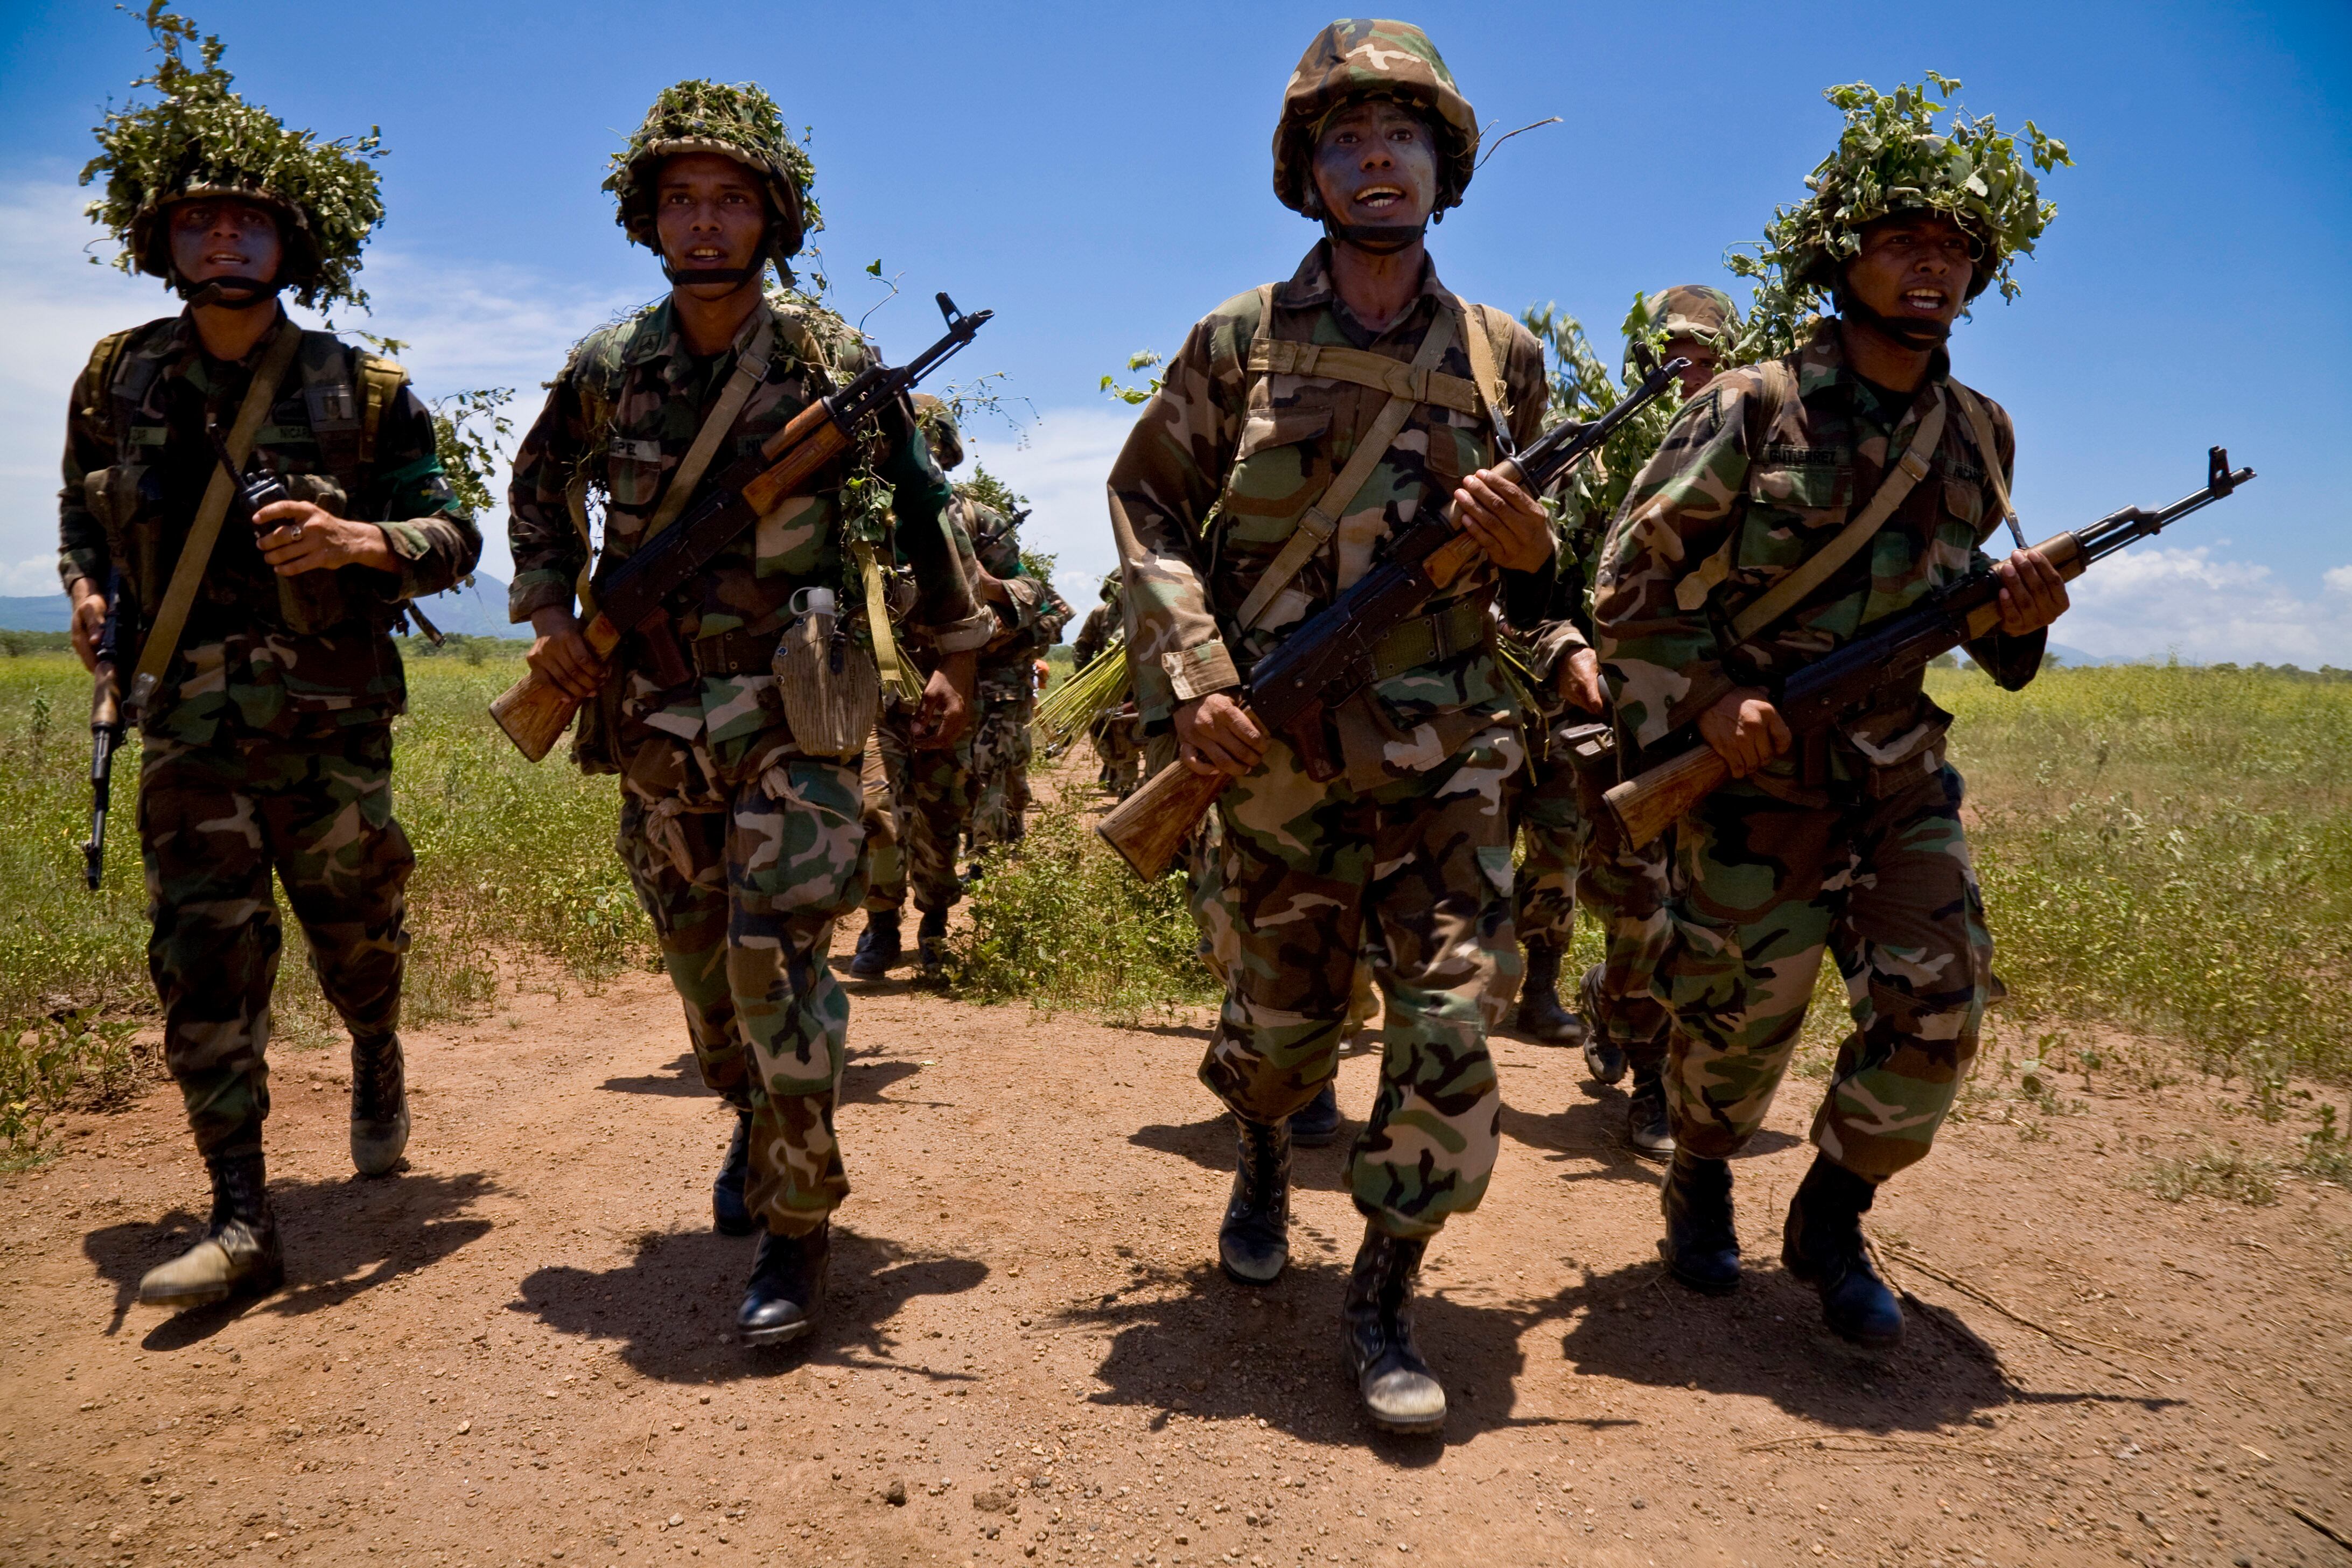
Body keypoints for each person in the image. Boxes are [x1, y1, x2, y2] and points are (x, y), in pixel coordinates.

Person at [1106, 20, 1555, 1432]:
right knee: (1284, 1039)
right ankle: (1258, 1144)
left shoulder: (1509, 358)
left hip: (1453, 757)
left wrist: (1535, 545)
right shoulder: (1235, 339)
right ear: (1310, 170)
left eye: (1403, 135)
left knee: (1451, 1025)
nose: (1378, 158)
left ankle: (1382, 1291)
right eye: (1348, 138)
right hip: (1275, 755)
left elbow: (1557, 583)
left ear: (1444, 164)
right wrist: (1201, 678)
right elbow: (1148, 511)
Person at [1593, 75, 2072, 1347]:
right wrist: (1707, 706)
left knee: (1939, 1011)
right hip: (1752, 778)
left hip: (1899, 772)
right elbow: (1627, 584)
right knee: (1731, 1035)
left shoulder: (1981, 434)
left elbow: (1970, 634)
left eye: (1955, 247)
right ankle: (1701, 1173)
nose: (1932, 266)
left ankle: (1833, 1213)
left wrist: (2018, 621)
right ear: (1841, 255)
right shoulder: (1750, 407)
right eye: (1904, 240)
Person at [507, 80, 987, 1345]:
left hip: (799, 708)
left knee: (780, 969)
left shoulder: (828, 360)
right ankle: (749, 1115)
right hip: (656, 712)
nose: (705, 223)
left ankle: (796, 1224)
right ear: (648, 220)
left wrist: (957, 656)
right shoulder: (610, 369)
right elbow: (538, 493)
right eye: (682, 201)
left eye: (729, 201)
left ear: (771, 216)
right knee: (704, 979)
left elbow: (925, 510)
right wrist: (553, 615)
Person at [62, 6, 480, 1307]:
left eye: (249, 222)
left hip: (331, 724)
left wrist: (361, 542)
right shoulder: (115, 378)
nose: (225, 237)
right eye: (199, 221)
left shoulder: (366, 389)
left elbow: (455, 531)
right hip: (185, 725)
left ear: (294, 243)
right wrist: (83, 591)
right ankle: (242, 1208)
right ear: (163, 243)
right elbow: (81, 512)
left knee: (358, 937)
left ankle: (374, 1046)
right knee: (205, 952)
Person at [1514, 285, 1744, 1158]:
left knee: (1716, 928)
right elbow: (1524, 599)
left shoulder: (1761, 466)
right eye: (1670, 352)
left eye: (1702, 352)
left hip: (1729, 733)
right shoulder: (1593, 463)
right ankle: (1650, 1080)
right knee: (1642, 914)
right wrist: (1567, 651)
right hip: (1618, 738)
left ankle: (1618, 1001)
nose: (1686, 368)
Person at [1072, 573, 1141, 796]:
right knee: (1110, 738)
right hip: (1110, 688)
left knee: (1143, 738)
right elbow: (1082, 648)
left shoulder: (1146, 610)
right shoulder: (1100, 615)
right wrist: (1088, 680)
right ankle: (1115, 771)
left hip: (1142, 685)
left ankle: (1131, 789)